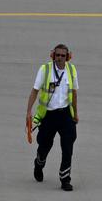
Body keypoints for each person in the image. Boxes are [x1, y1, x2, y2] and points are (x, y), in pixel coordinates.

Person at [25, 43, 79, 191]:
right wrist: (29, 112)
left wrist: (76, 113)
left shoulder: (72, 70)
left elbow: (74, 93)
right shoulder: (45, 70)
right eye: (57, 55)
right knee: (44, 145)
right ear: (53, 55)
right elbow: (35, 91)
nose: (60, 58)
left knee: (68, 147)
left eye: (63, 56)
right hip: (49, 115)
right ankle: (39, 163)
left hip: (66, 115)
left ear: (68, 57)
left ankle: (65, 179)